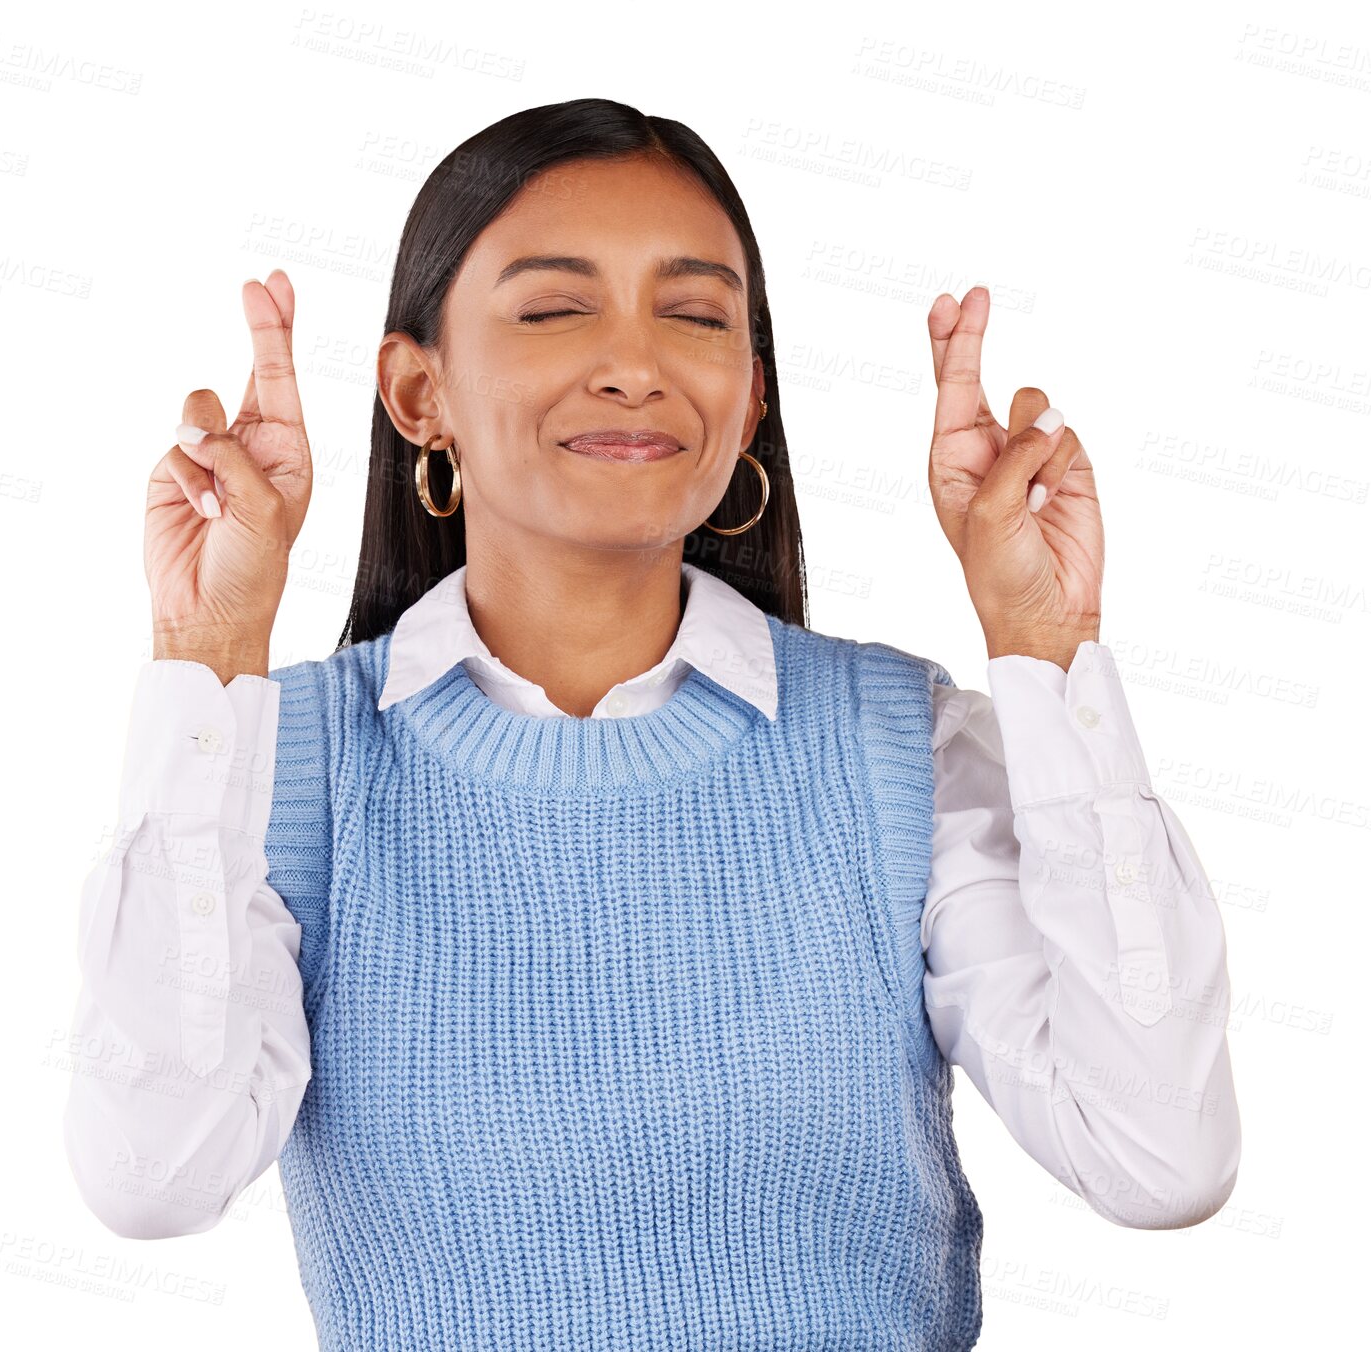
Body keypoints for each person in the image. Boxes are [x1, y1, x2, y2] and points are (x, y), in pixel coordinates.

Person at [61, 98, 1240, 1351]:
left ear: (744, 405)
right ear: (419, 393)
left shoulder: (901, 751)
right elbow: (154, 1176)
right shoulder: (279, 770)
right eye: (555, 307)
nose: (635, 362)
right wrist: (209, 655)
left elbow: (1157, 1154)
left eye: (693, 314)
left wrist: (1045, 646)